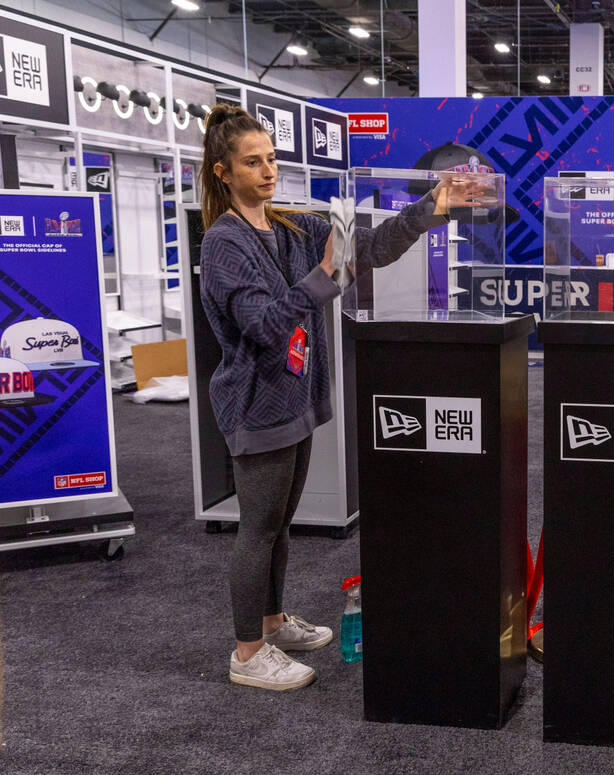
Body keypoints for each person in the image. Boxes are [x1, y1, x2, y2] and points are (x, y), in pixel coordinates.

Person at [198, 104, 485, 691]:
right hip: (255, 405)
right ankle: (248, 653)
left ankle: (272, 622)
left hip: (294, 399)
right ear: (223, 171)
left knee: (279, 525)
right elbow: (265, 325)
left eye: (272, 158)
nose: (268, 171)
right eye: (253, 163)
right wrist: (326, 273)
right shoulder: (224, 243)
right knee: (258, 529)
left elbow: (368, 250)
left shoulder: (284, 228)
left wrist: (432, 209)